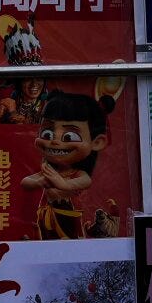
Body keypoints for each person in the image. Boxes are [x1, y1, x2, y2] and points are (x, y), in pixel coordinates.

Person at [20, 91, 114, 240]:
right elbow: (25, 182)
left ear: (96, 142)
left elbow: (85, 182)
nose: (55, 141)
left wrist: (63, 183)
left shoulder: (77, 173)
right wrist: (39, 181)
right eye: (47, 134)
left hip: (68, 215)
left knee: (69, 240)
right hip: (46, 214)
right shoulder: (49, 172)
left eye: (69, 136)